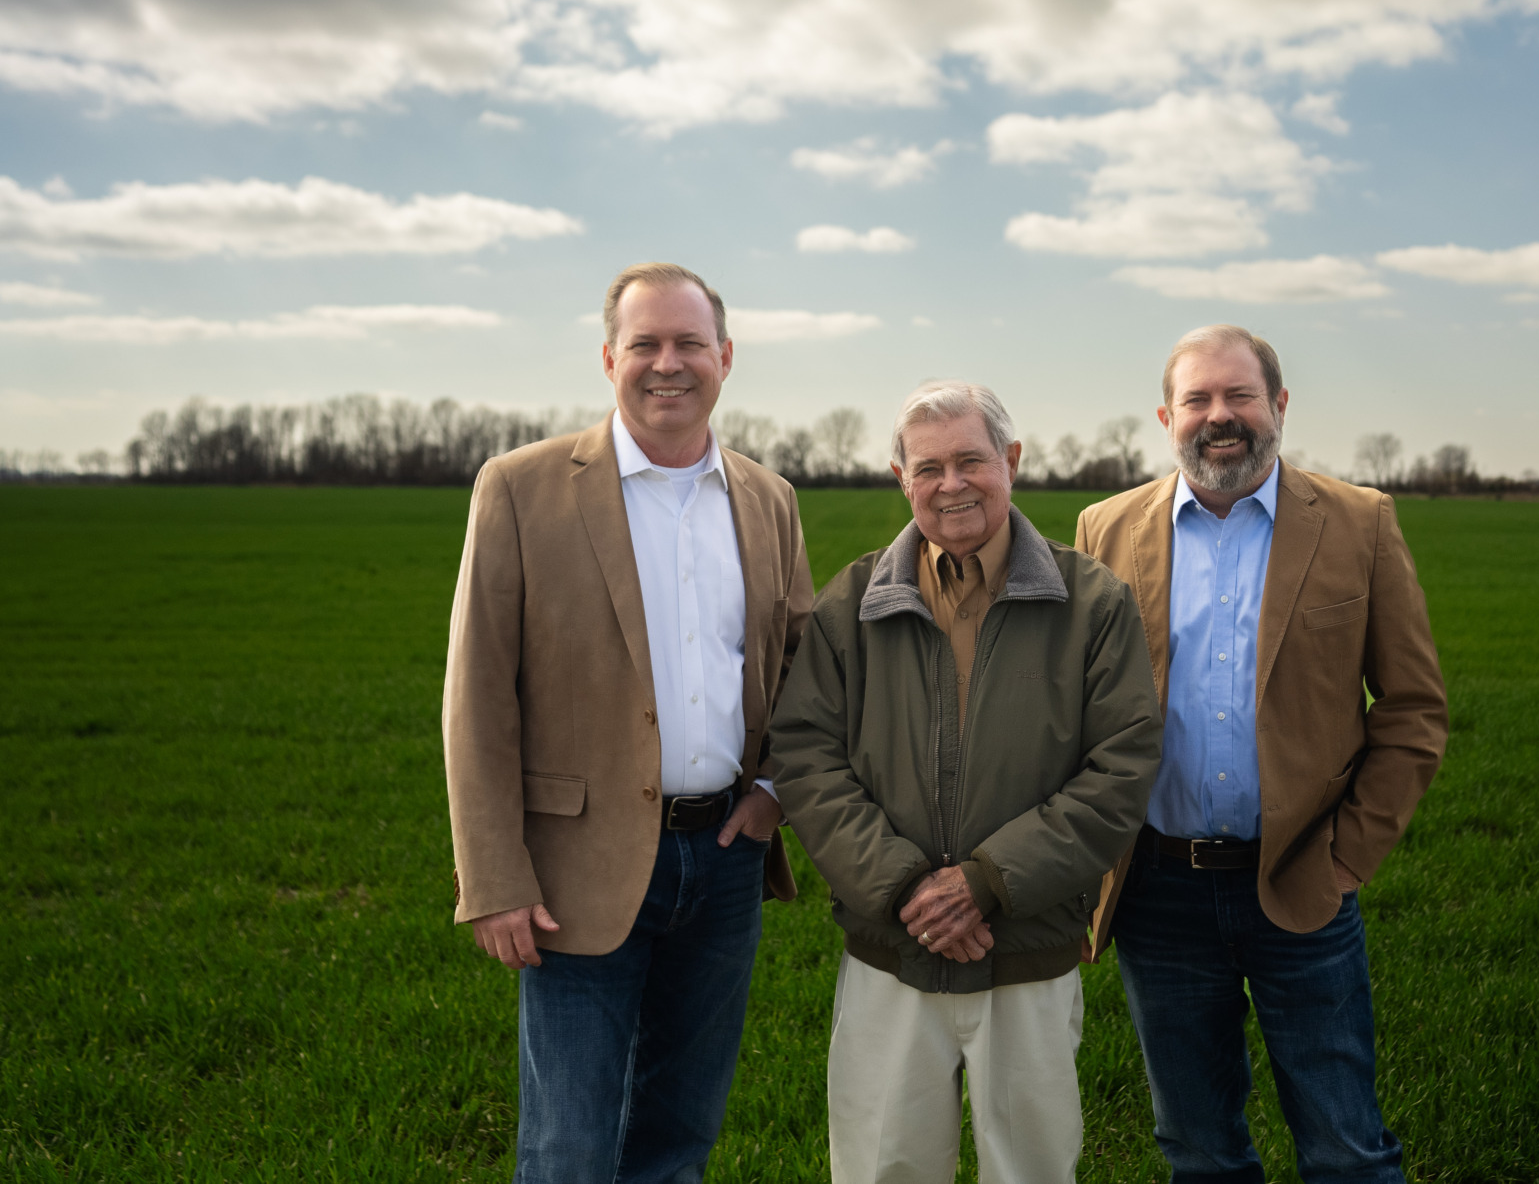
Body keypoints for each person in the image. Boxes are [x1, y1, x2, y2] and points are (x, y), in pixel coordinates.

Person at [443, 262, 812, 1183]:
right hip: (574, 868)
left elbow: (806, 671)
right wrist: (491, 876)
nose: (667, 364)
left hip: (724, 860)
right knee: (568, 1150)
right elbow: (478, 694)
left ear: (725, 358)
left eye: (689, 343)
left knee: (678, 1142)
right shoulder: (521, 489)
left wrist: (773, 792)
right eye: (645, 343)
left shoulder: (768, 499)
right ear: (609, 358)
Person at [1075, 324, 1447, 1184]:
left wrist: (1345, 858)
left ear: (1278, 406)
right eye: (1198, 399)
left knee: (1346, 1146)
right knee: (1198, 1149)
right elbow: (1077, 712)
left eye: (1240, 396)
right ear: (1166, 415)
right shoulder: (1106, 527)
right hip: (1157, 894)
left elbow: (1414, 708)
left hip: (1302, 881)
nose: (1220, 417)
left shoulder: (1360, 523)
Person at [771, 380, 1162, 1184]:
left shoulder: (1092, 603)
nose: (951, 484)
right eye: (929, 467)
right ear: (900, 478)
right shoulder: (852, 606)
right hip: (890, 950)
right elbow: (806, 753)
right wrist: (909, 886)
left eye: (971, 461)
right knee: (886, 1168)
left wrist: (986, 883)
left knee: (1031, 1171)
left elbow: (1122, 768)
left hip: (1028, 952)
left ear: (1011, 462)